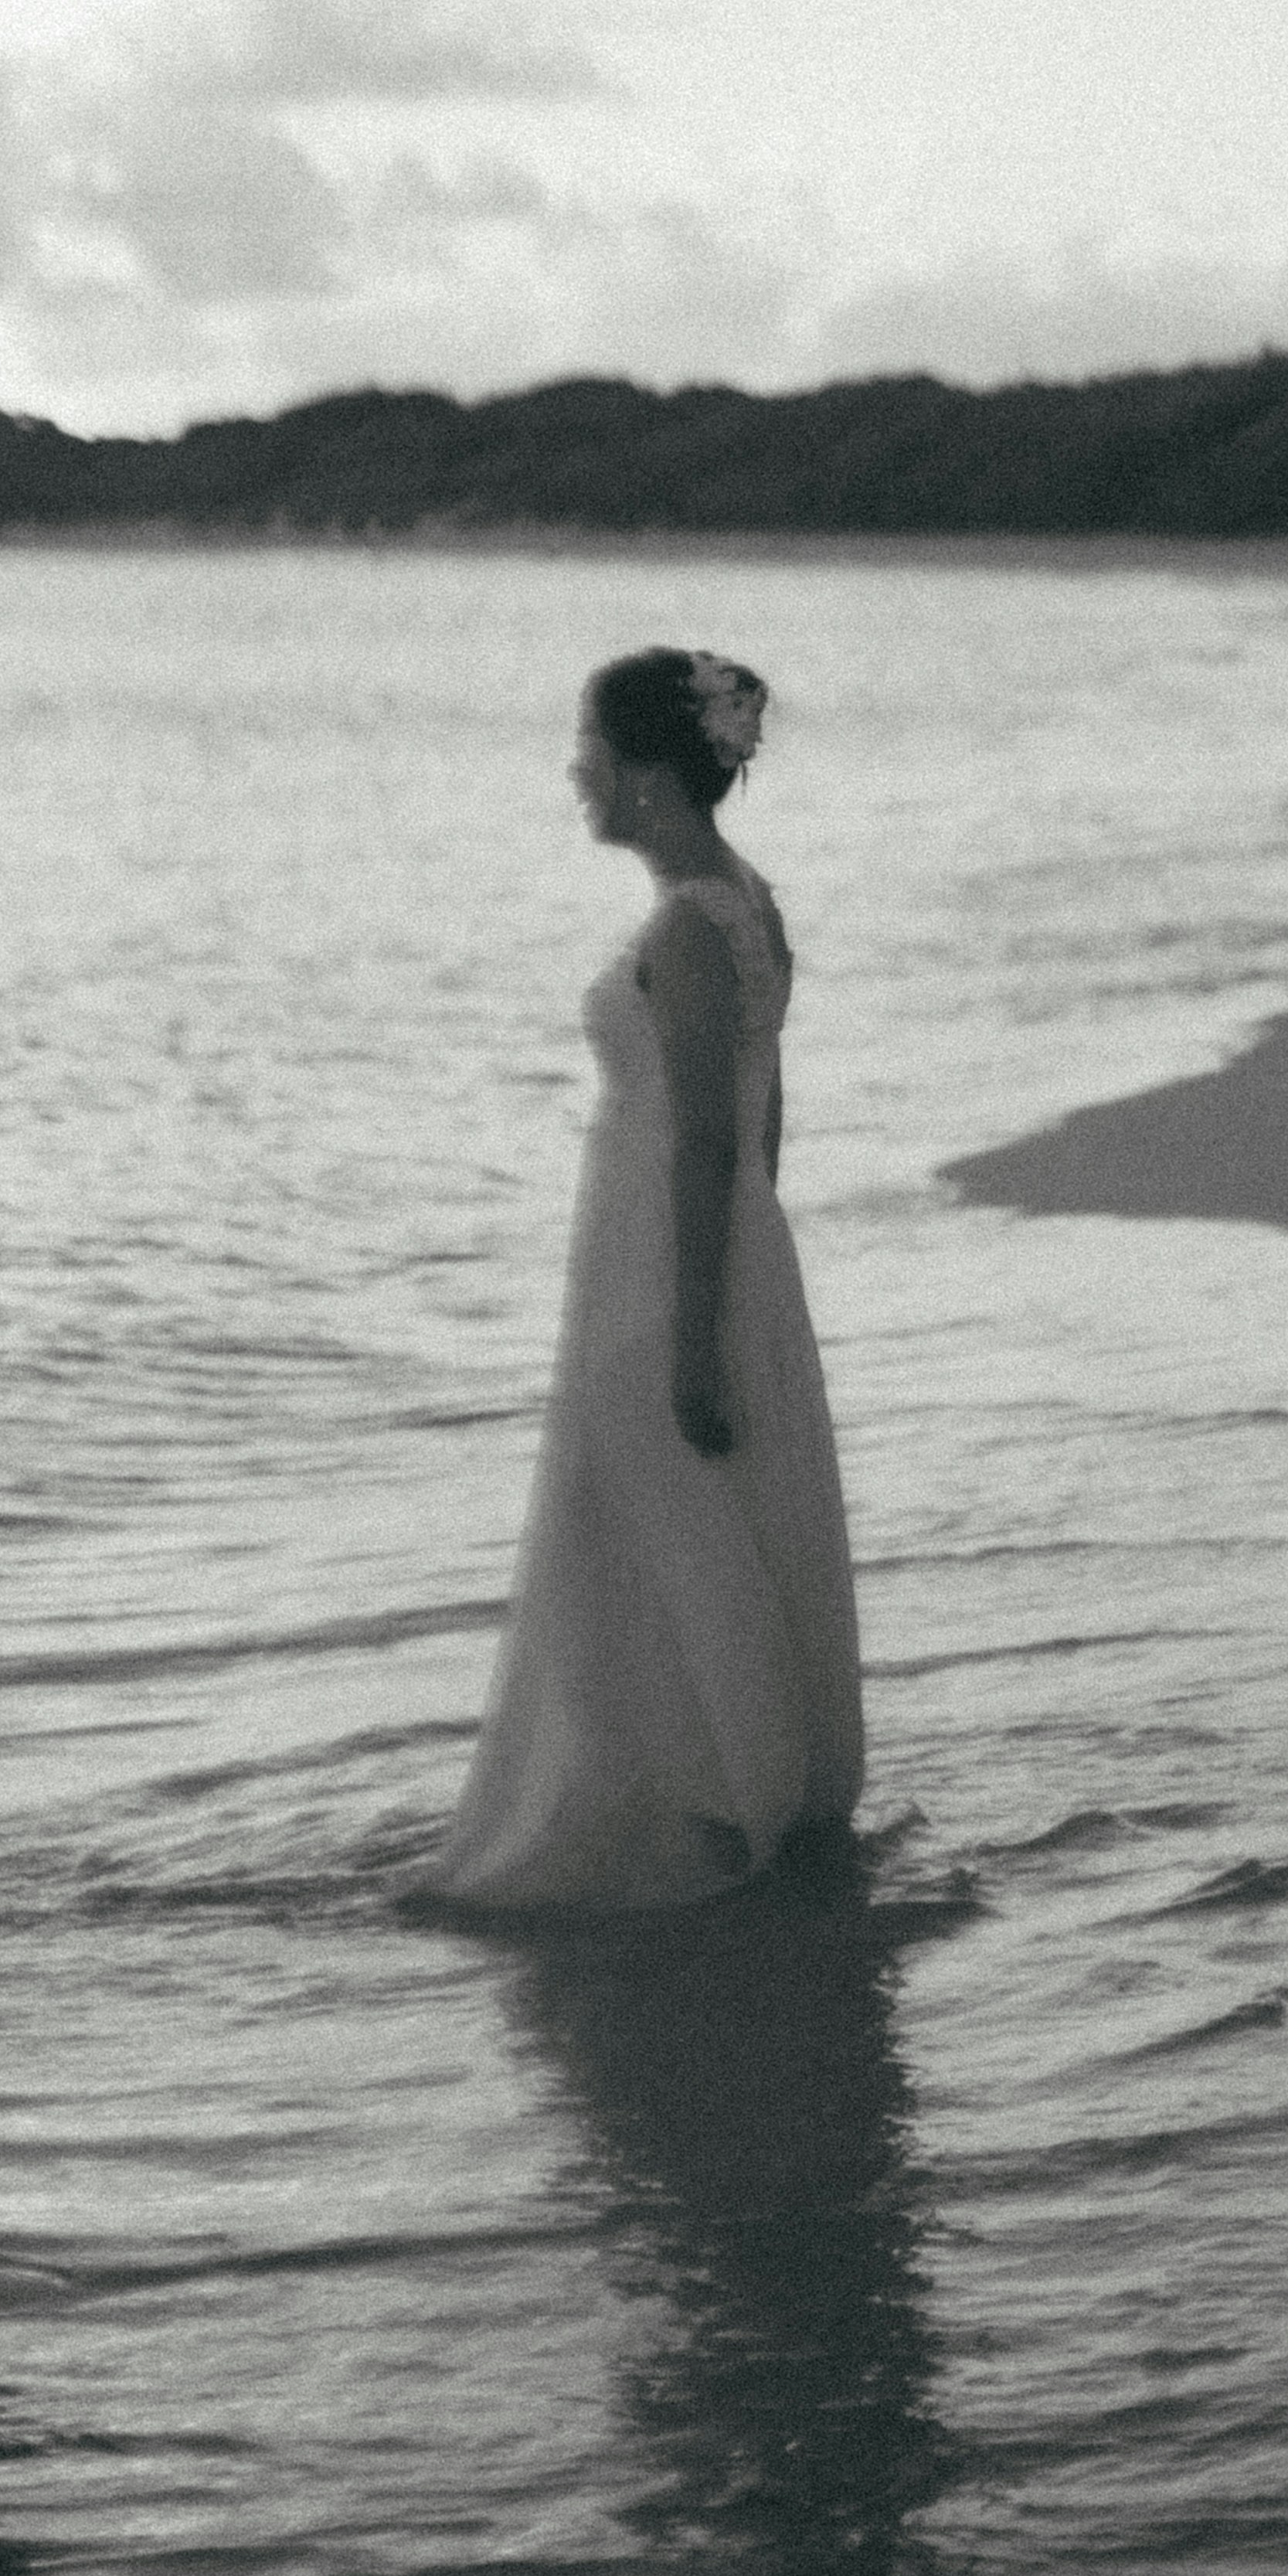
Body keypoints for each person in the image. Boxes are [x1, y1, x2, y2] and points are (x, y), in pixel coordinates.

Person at [432, 646, 862, 1907]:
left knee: (655, 1525)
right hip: (721, 1249)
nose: (579, 771)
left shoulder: (690, 927)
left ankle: (723, 1799)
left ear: (649, 775)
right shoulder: (750, 900)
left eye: (594, 750)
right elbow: (762, 1113)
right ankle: (721, 1781)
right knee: (710, 1522)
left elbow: (713, 1133)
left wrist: (692, 1334)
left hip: (666, 1267)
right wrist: (754, 1269)